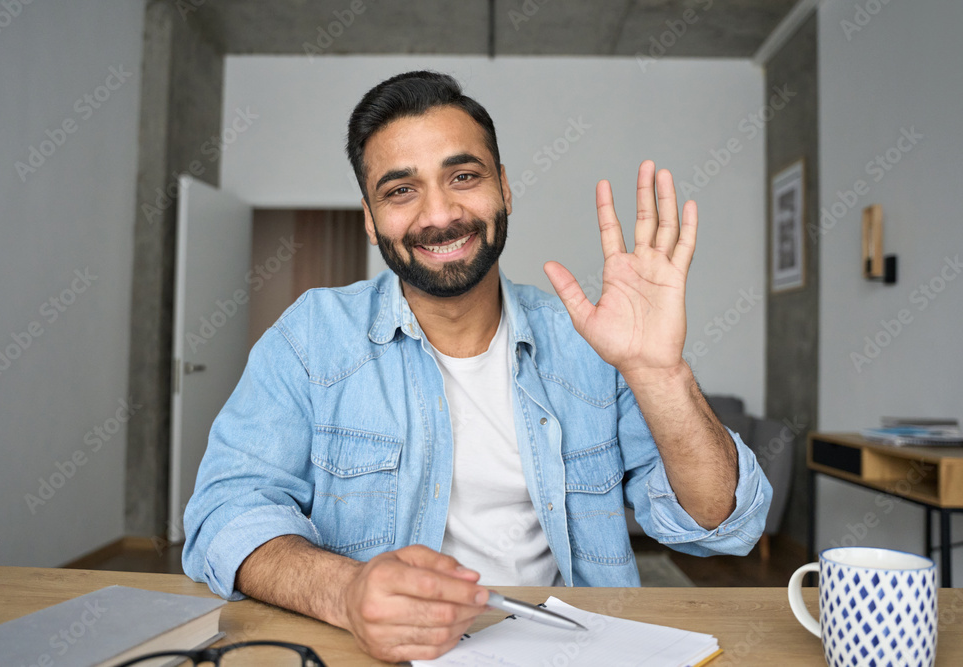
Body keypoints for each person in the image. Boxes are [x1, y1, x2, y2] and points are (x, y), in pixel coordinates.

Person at [183, 70, 771, 663]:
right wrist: (346, 591)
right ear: (369, 217)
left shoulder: (590, 342)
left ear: (505, 189)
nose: (440, 215)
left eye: (463, 177)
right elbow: (224, 513)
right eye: (400, 190)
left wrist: (659, 372)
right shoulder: (313, 336)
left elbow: (720, 527)